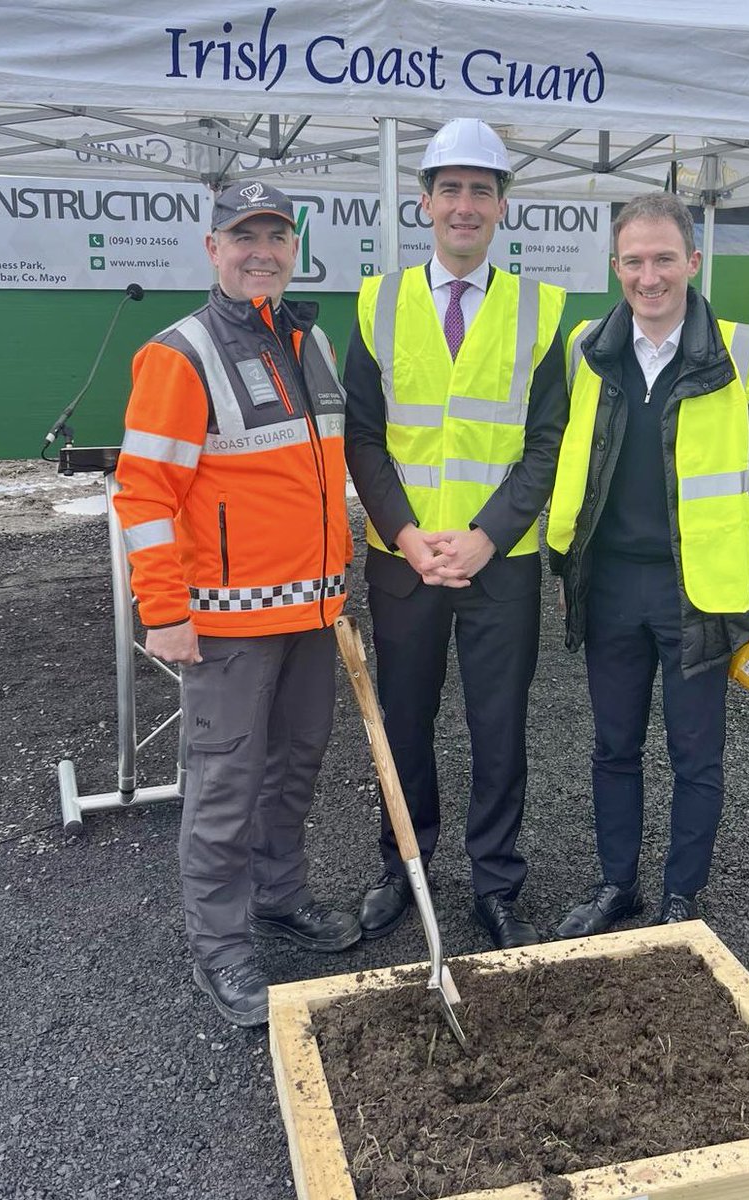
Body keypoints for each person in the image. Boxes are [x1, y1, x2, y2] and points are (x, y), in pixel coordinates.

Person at [114, 180, 360, 1027]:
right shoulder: (179, 354)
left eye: (276, 237)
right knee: (224, 784)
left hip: (311, 613)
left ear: (294, 248)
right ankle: (219, 946)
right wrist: (164, 610)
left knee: (294, 769)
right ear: (212, 248)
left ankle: (280, 894)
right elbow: (143, 493)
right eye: (243, 236)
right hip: (223, 622)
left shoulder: (307, 339)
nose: (262, 251)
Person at [547, 192, 749, 937]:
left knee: (696, 755)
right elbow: (576, 467)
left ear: (693, 261)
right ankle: (616, 885)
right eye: (634, 260)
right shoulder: (587, 348)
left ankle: (680, 899)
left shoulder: (744, 352)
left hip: (700, 590)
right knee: (613, 747)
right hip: (611, 587)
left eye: (664, 258)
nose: (649, 276)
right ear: (615, 266)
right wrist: (568, 569)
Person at [343, 118, 569, 950]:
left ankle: (495, 882)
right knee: (401, 722)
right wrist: (403, 533)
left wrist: (486, 533)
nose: (464, 205)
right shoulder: (378, 301)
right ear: (426, 202)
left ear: (502, 206)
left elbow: (547, 443)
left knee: (497, 725)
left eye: (481, 190)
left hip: (496, 563)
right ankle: (402, 869)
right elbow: (363, 438)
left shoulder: (540, 311)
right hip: (404, 562)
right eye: (450, 189)